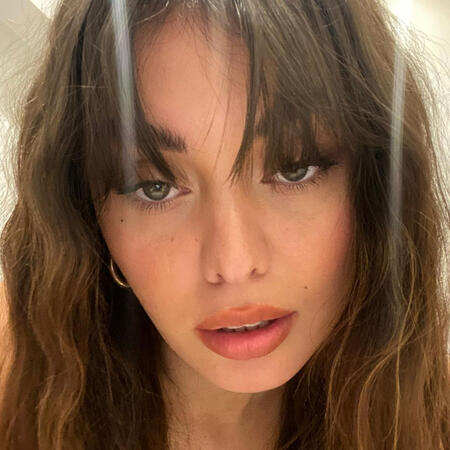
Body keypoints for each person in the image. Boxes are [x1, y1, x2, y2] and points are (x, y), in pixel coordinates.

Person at [0, 0, 448, 449]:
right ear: (88, 218)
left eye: (294, 168)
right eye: (154, 188)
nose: (234, 264)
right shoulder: (18, 395)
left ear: (374, 185)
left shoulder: (430, 416)